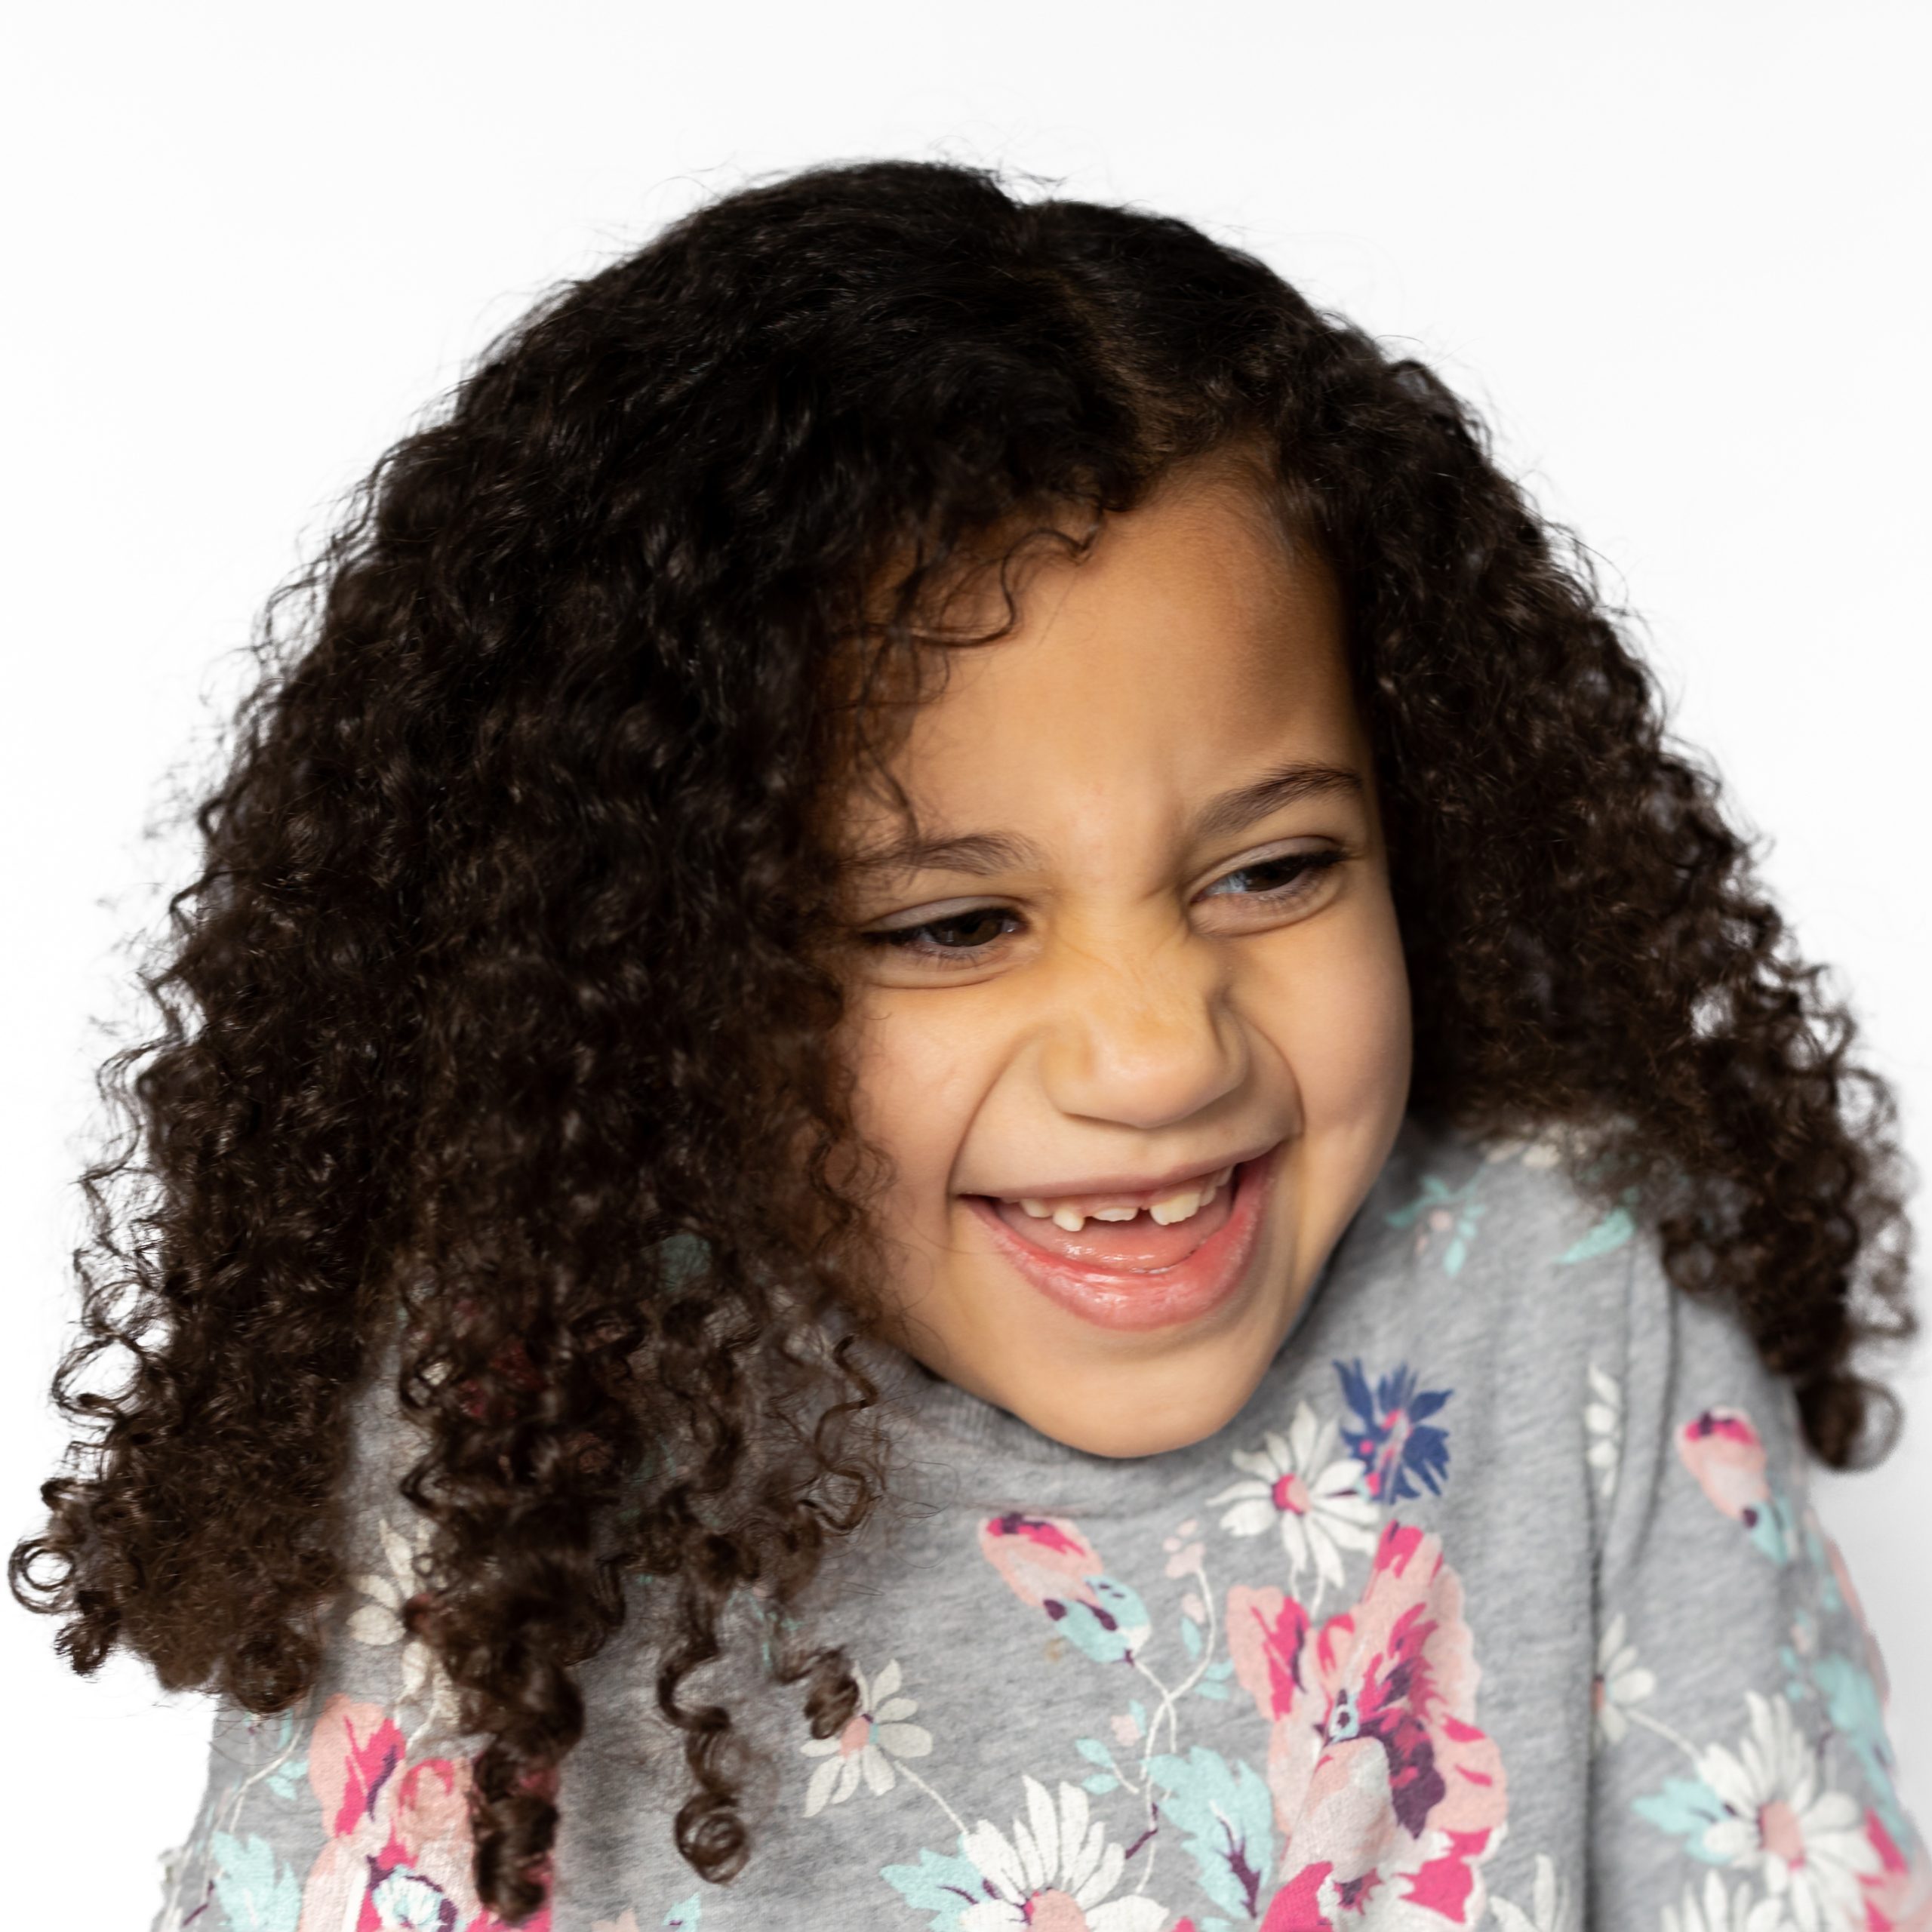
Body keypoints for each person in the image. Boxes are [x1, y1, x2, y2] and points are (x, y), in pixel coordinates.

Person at [11, 158, 1923, 1932]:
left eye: (1269, 868)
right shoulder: (510, 1441)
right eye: (950, 922)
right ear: (660, 974)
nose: (1159, 1048)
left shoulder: (1564, 1287)